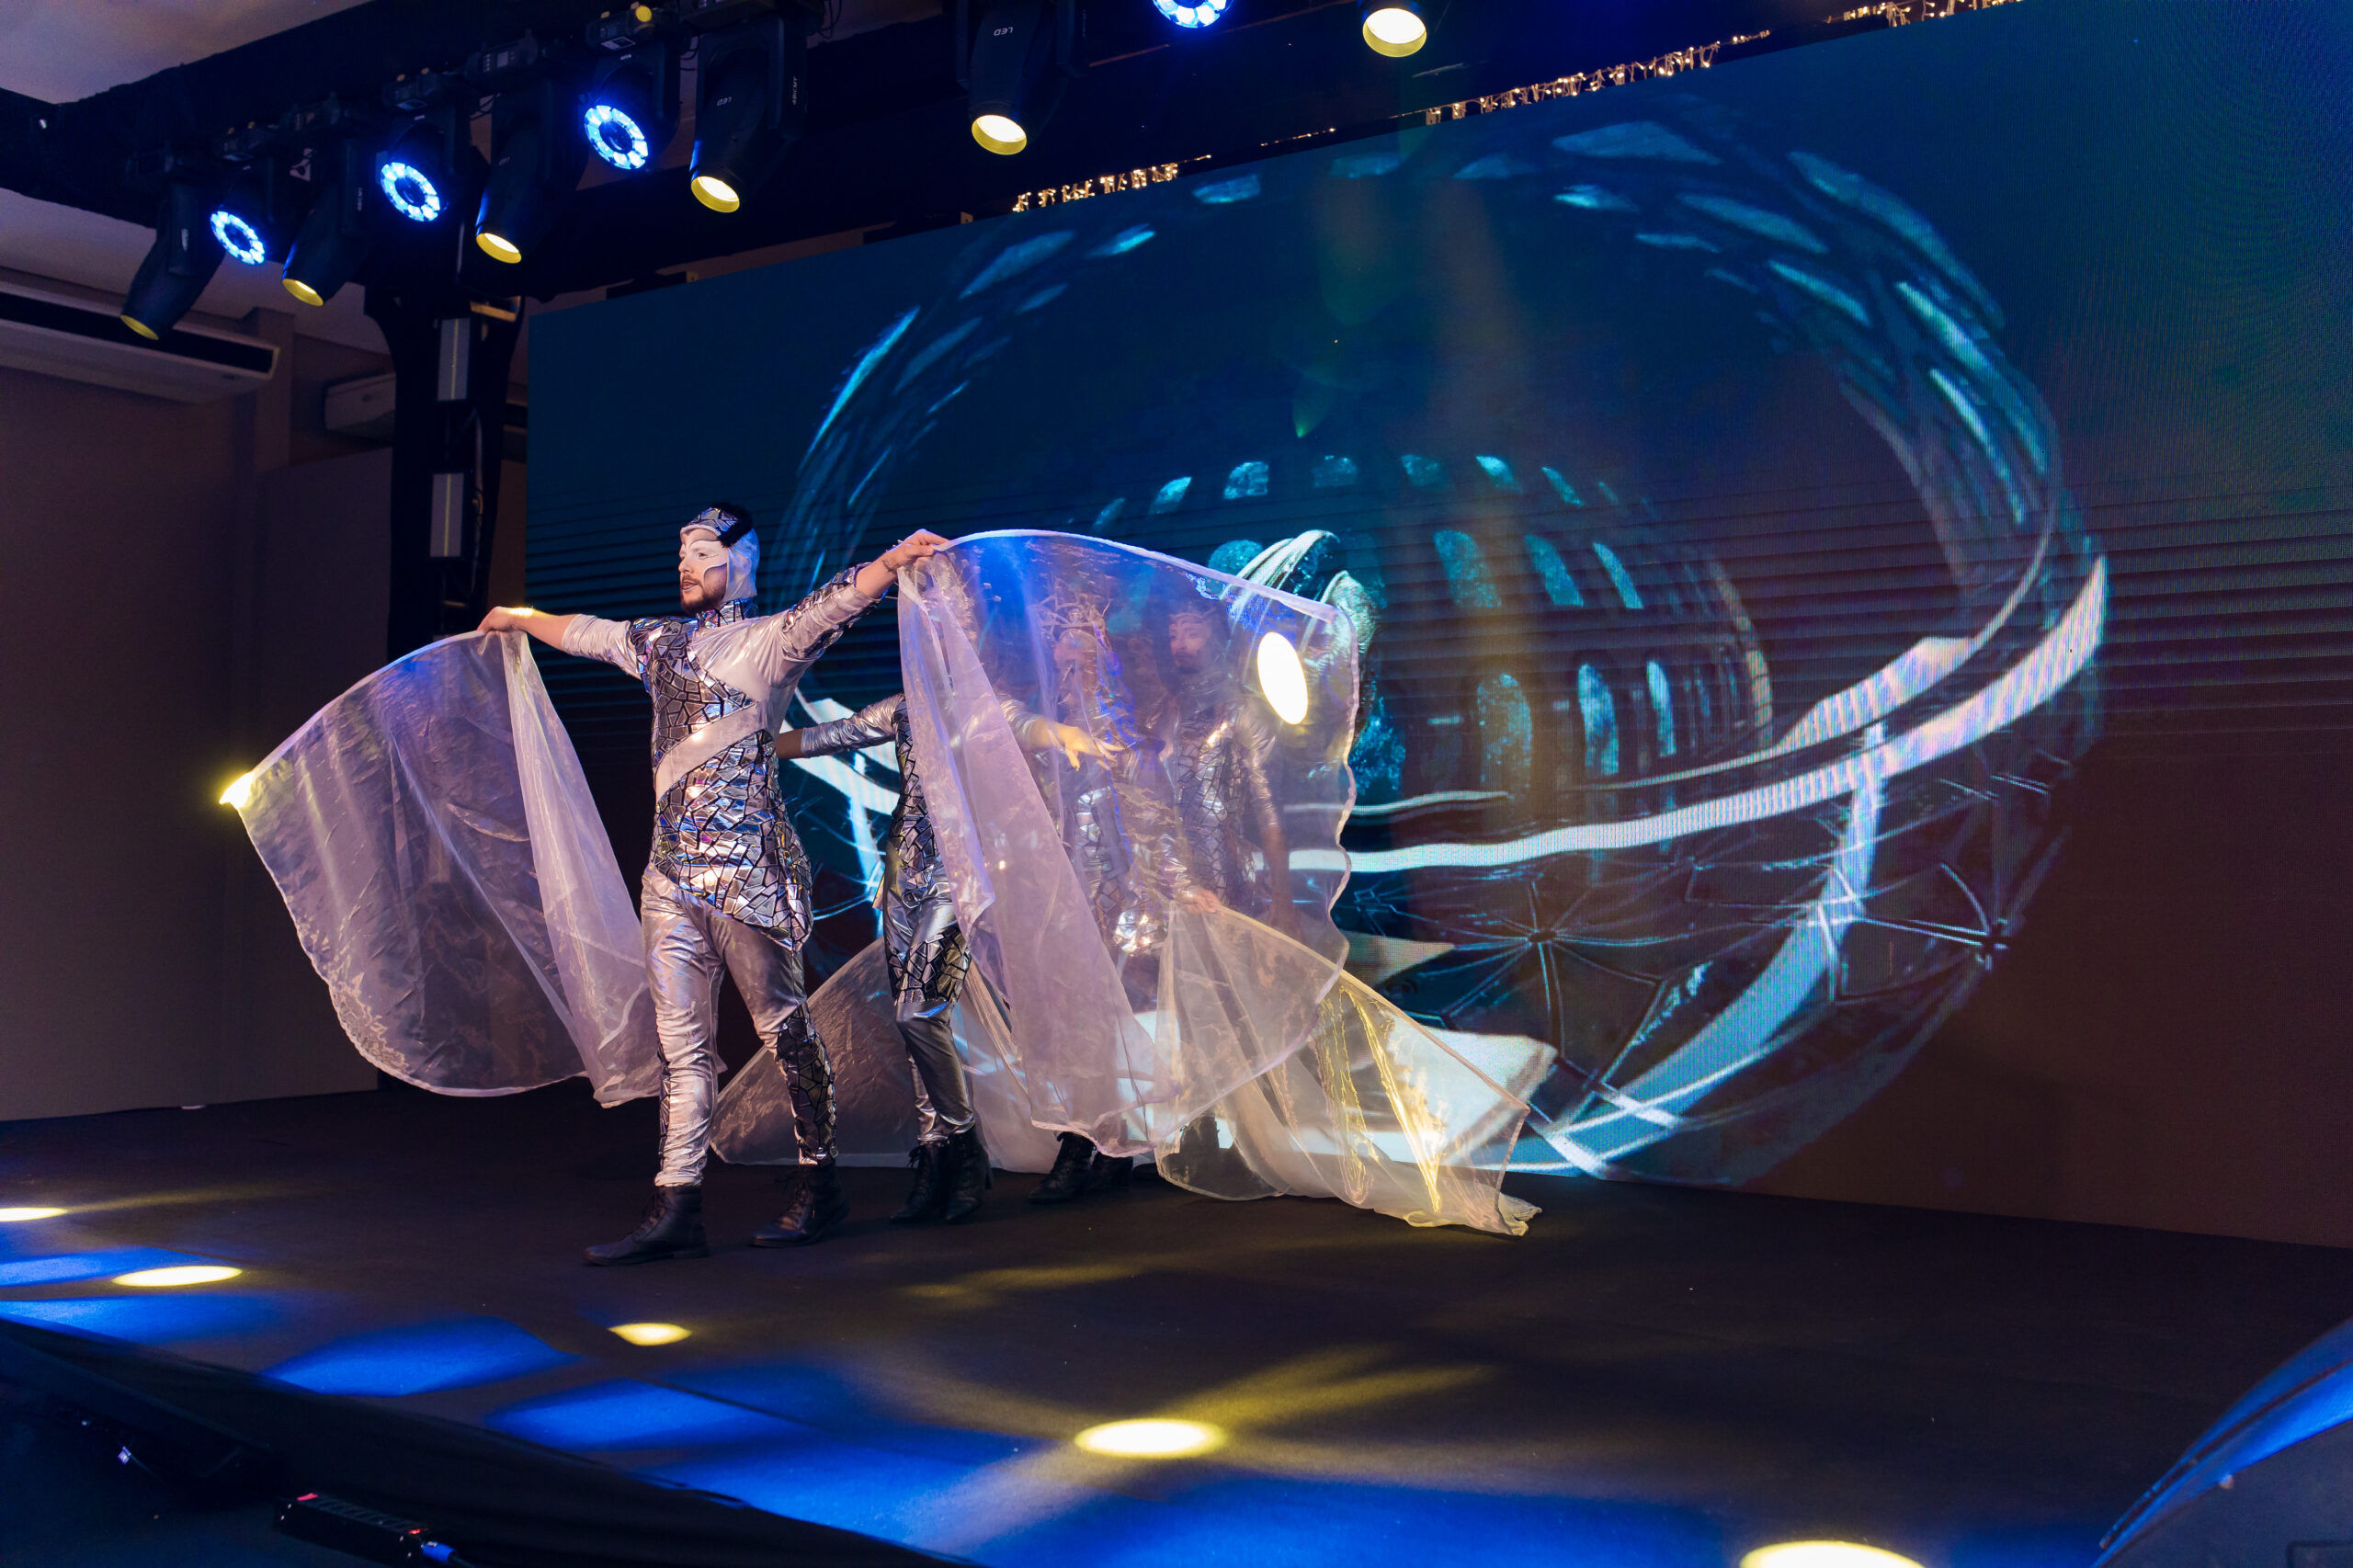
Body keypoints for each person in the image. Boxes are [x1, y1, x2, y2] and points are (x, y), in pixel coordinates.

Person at [480, 507, 948, 1264]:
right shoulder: (658, 642)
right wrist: (519, 617)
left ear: (742, 562)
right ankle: (677, 1202)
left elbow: (836, 601)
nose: (685, 565)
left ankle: (821, 1183)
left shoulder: (768, 641)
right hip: (669, 876)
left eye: (702, 552)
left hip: (748, 874)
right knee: (680, 1048)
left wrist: (892, 562)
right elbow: (588, 632)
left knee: (784, 1030)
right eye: (681, 555)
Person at [779, 694, 1098, 1223]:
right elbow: (830, 735)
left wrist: (1063, 733)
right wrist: (752, 743)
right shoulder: (902, 706)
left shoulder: (979, 701)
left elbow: (1026, 725)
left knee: (918, 1013)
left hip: (958, 883)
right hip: (900, 879)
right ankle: (936, 1157)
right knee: (916, 1032)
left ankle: (967, 1146)